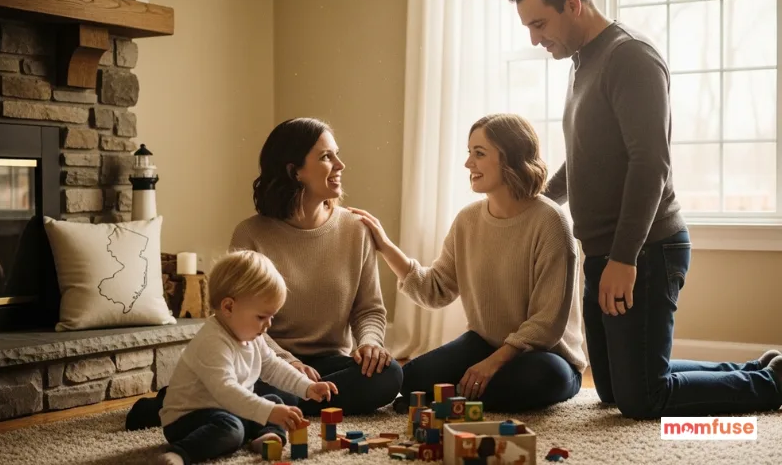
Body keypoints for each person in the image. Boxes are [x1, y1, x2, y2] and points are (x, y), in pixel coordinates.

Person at [506, 0, 782, 419]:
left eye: (540, 24)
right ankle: (757, 368)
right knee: (614, 390)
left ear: (573, 5)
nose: (535, 40)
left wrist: (623, 258)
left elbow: (650, 164)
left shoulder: (629, 57)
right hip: (601, 251)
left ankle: (773, 382)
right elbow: (583, 162)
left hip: (646, 250)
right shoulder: (581, 63)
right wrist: (535, 204)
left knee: (643, 398)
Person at [351, 113, 587, 413]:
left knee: (540, 378)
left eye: (479, 153)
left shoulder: (551, 222)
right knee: (413, 380)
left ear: (510, 158)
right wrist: (384, 246)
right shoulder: (468, 220)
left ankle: (450, 402)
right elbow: (435, 289)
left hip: (546, 355)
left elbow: (546, 324)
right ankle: (462, 399)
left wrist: (493, 363)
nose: (468, 164)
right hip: (484, 343)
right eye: (469, 153)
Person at [229, 117, 403, 416]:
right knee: (258, 382)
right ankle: (286, 399)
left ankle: (282, 403)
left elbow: (369, 309)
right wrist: (288, 364)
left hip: (329, 363)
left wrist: (370, 344)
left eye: (336, 154)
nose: (340, 165)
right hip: (270, 361)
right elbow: (241, 319)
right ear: (293, 171)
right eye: (326, 157)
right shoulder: (250, 234)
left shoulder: (355, 229)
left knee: (390, 375)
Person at [155, 250, 337, 465]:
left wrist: (307, 387)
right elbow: (226, 390)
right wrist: (267, 411)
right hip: (188, 419)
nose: (268, 324)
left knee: (275, 401)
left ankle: (265, 437)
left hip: (229, 409)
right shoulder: (212, 341)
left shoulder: (252, 336)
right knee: (232, 428)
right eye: (261, 317)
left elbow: (273, 366)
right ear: (229, 307)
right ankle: (181, 453)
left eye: (271, 316)